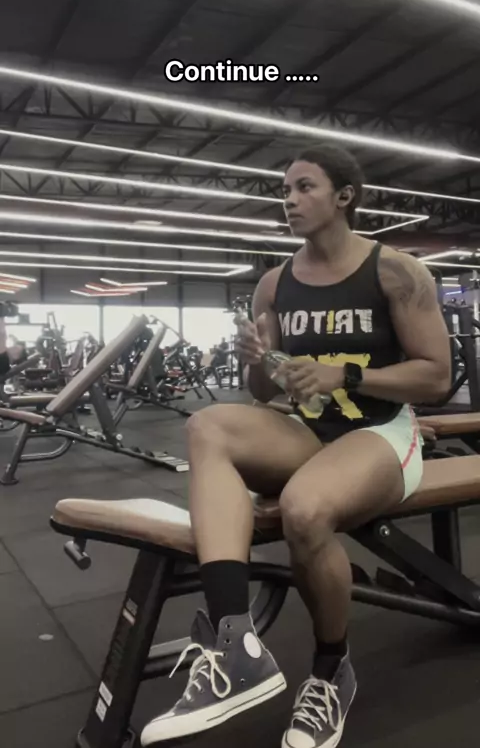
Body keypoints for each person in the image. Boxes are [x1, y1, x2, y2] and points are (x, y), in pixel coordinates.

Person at [141, 144, 451, 748]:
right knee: (208, 426)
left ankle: (331, 671)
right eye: (285, 191)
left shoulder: (396, 272)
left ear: (344, 197)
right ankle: (235, 644)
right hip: (308, 430)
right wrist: (256, 361)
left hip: (381, 431)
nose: (289, 200)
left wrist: (346, 374)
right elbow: (264, 390)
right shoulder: (273, 284)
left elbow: (436, 377)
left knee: (303, 509)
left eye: (304, 187)